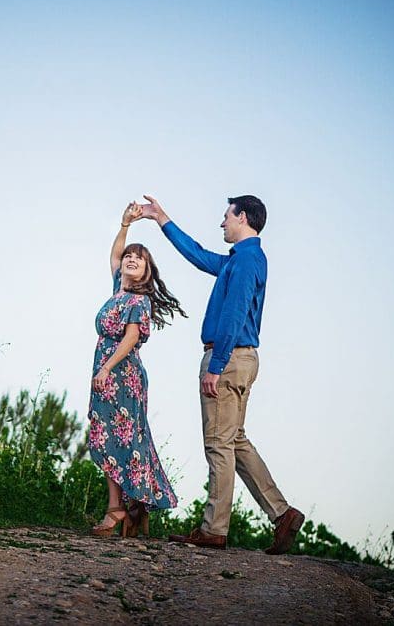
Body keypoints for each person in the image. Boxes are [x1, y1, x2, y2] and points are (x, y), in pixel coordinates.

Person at [136, 194, 304, 554]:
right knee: (234, 440)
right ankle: (282, 513)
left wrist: (215, 367)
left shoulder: (247, 260)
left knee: (218, 444)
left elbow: (234, 315)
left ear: (242, 217)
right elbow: (198, 255)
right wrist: (161, 218)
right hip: (239, 358)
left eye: (226, 216)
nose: (222, 223)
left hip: (227, 358)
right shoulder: (239, 260)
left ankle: (214, 529)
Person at [88, 201, 185, 537]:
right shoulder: (117, 291)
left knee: (124, 440)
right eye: (130, 256)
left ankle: (121, 508)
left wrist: (106, 368)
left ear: (146, 271)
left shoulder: (139, 302)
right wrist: (125, 224)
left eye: (139, 258)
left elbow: (131, 338)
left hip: (123, 376)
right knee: (105, 437)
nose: (130, 259)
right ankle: (129, 506)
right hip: (105, 373)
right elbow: (114, 254)